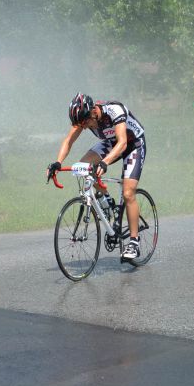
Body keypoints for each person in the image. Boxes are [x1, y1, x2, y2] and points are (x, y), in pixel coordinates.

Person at [48, 93, 147, 263]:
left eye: (85, 123)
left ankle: (134, 241)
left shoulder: (114, 110)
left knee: (128, 193)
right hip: (111, 142)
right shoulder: (84, 118)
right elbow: (68, 141)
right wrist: (58, 162)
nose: (84, 127)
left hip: (132, 144)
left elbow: (122, 142)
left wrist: (104, 162)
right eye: (81, 124)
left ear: (93, 111)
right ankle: (107, 202)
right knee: (83, 167)